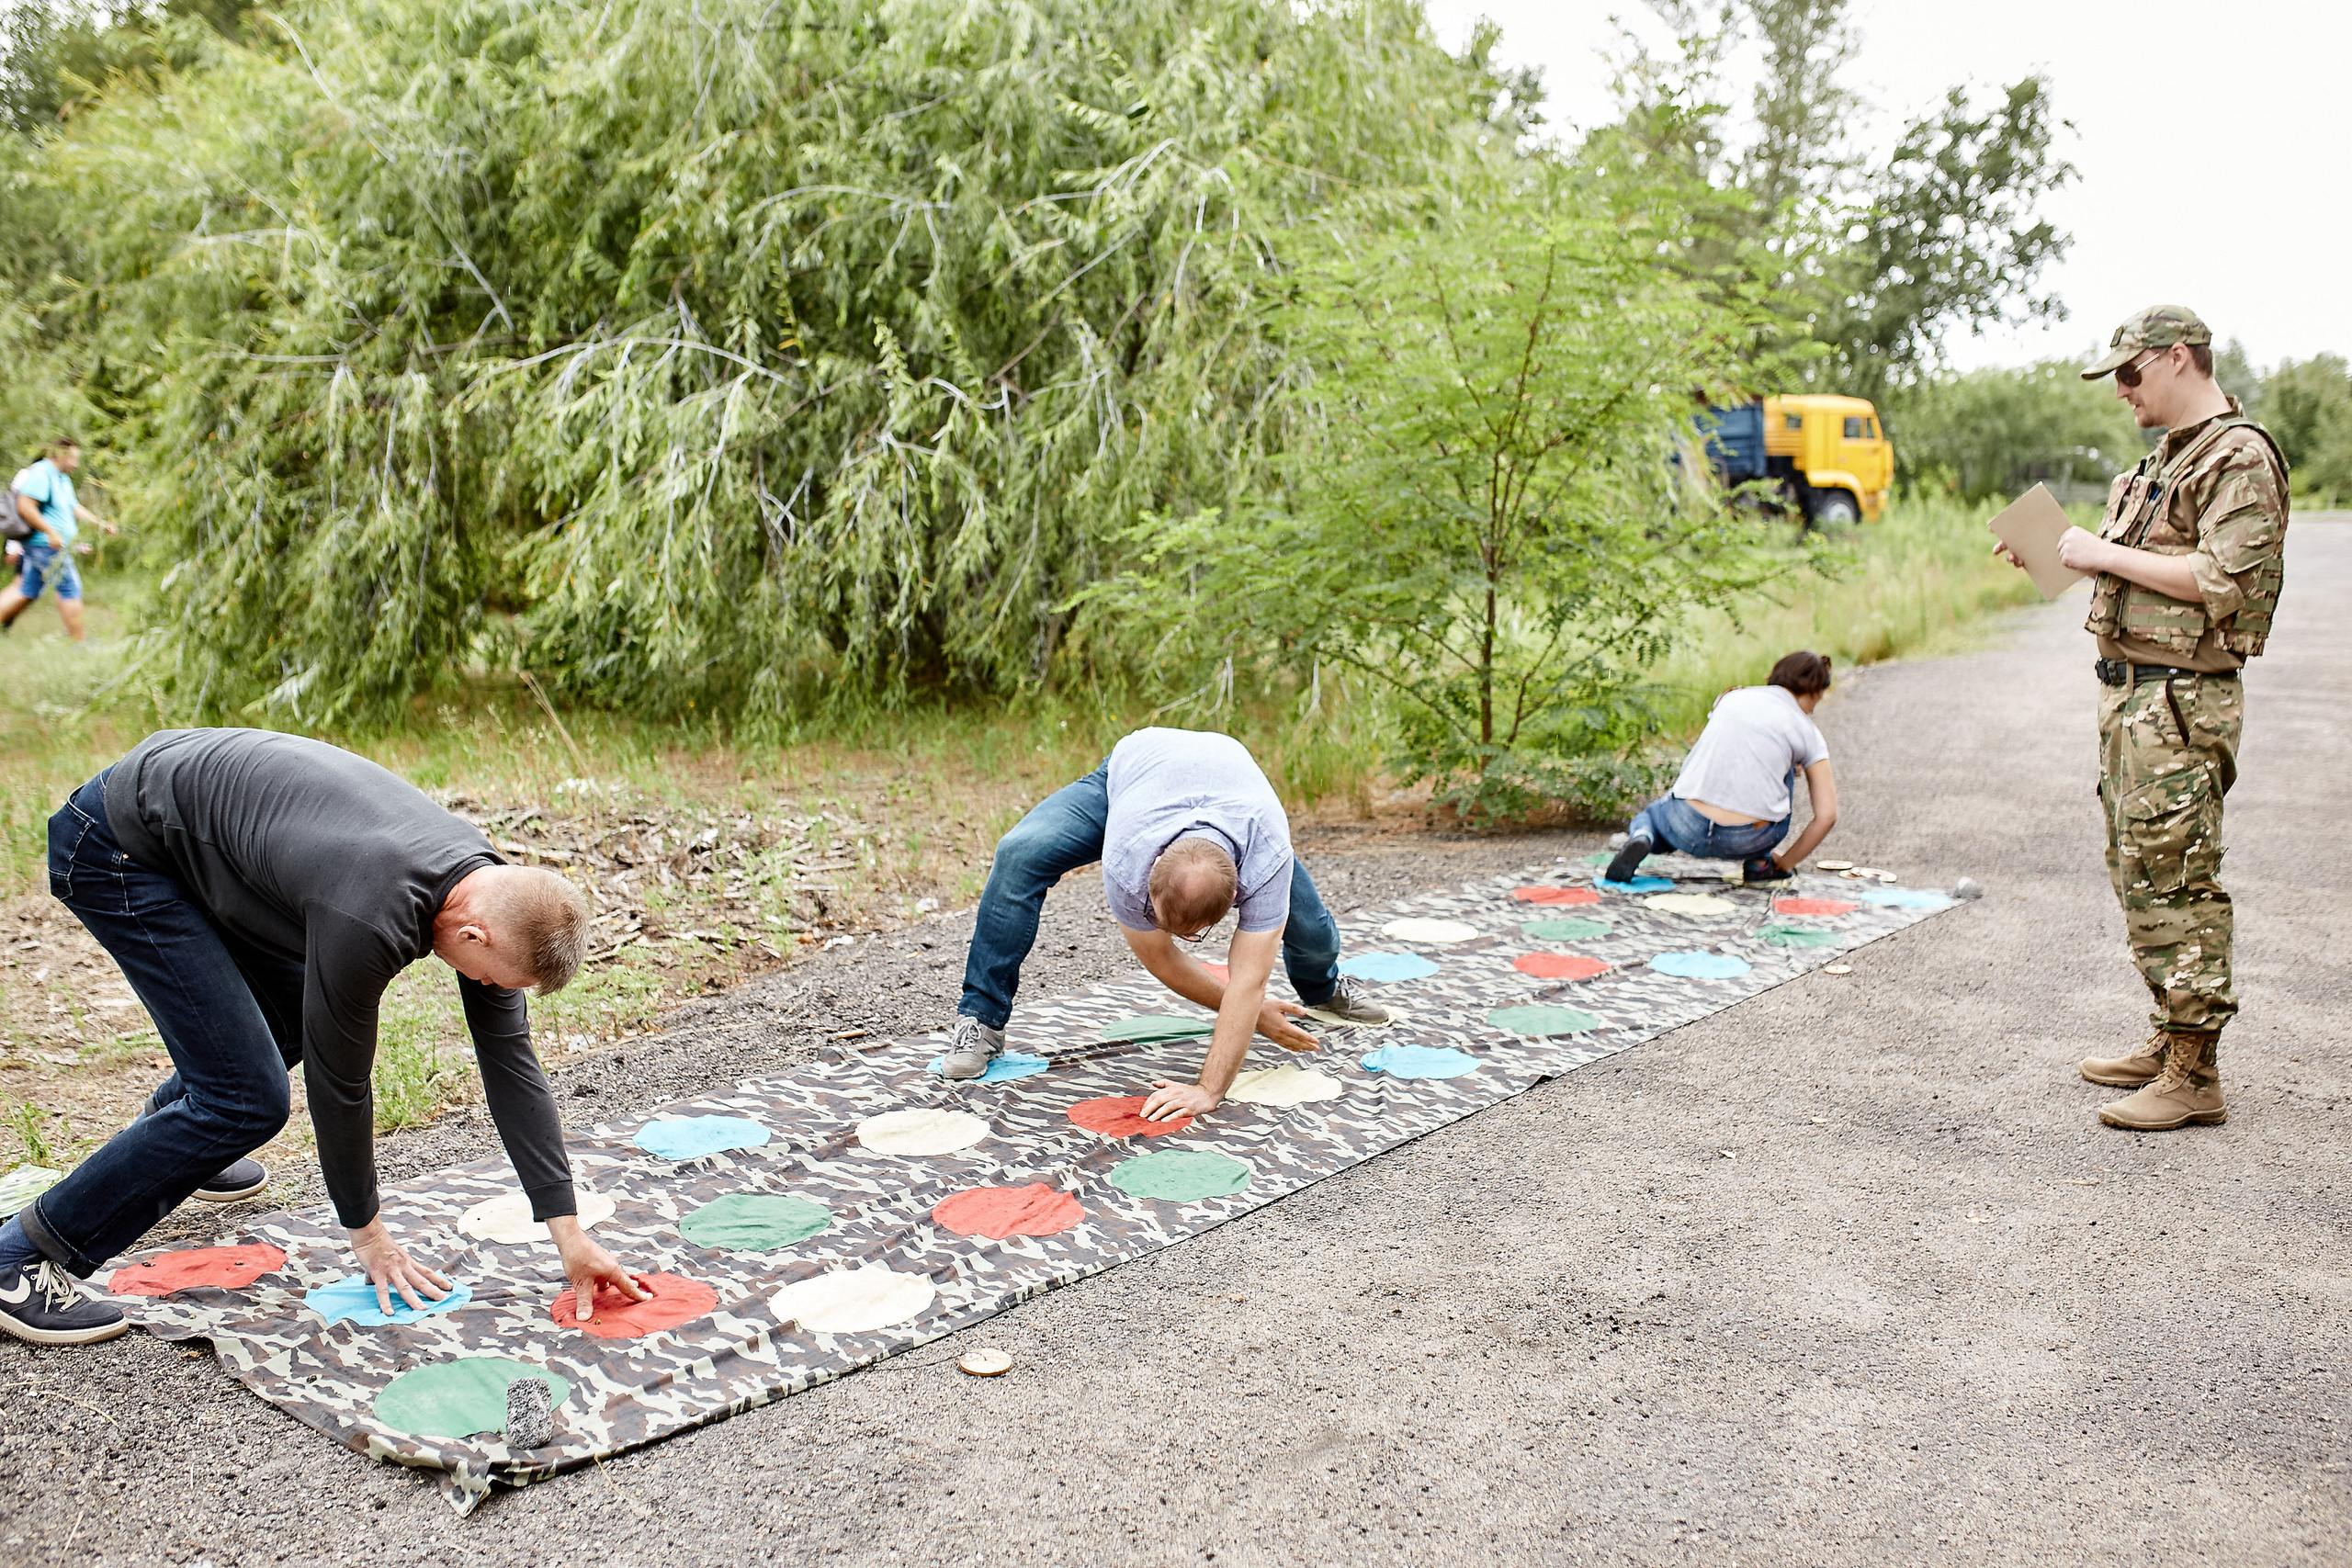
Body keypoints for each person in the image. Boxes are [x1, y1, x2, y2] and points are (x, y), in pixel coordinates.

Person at [0, 728, 654, 1346]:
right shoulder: (370, 916)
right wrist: (368, 1235)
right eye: (492, 980)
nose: (490, 992)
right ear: (474, 936)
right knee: (246, 1098)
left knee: (282, 1023)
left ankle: (178, 1142)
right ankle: (21, 1255)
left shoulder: (485, 887)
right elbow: (341, 1087)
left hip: (201, 835)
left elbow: (511, 1065)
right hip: (117, 846)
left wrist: (568, 1233)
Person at [1997, 305, 2288, 1133]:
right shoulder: (2167, 459)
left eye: (2130, 372)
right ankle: (2170, 1035)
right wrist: (2050, 549)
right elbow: (2129, 567)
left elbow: (2223, 575)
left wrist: (2102, 552)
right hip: (2134, 693)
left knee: (2179, 873)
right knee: (2137, 867)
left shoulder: (2239, 456)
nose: (2122, 390)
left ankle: (2197, 1072)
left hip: (2182, 699)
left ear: (2178, 359)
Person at [941, 728, 1389, 1120]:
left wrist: (1209, 1090)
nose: (1176, 935)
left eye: (1195, 933)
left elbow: (1248, 981)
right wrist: (1252, 1019)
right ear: (1149, 883)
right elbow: (1161, 957)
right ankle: (980, 1017)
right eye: (1159, 918)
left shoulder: (1265, 855)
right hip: (1138, 770)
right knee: (1019, 853)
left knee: (1310, 931)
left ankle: (1323, 989)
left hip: (1235, 795)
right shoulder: (1126, 860)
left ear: (1237, 894)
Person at [1602, 651, 1840, 886]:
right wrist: (1786, 863)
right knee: (1787, 767)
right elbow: (1827, 816)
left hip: (1687, 827)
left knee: (1653, 817)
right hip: (1751, 839)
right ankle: (1761, 865)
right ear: (1816, 691)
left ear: (1774, 677)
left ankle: (1645, 836)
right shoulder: (1808, 732)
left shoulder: (1730, 698)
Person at [0, 438, 117, 642]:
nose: (76, 464)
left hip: (49, 544)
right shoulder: (42, 473)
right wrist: (51, 532)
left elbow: (74, 507)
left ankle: (79, 639)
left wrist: (100, 524)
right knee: (70, 587)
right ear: (60, 455)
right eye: (73, 459)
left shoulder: (61, 477)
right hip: (44, 545)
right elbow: (25, 506)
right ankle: (80, 643)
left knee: (27, 590)